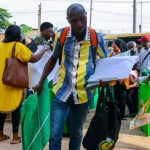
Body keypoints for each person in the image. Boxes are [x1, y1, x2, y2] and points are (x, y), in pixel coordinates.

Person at [34, 3, 107, 150]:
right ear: (68, 20)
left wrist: (104, 78)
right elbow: (53, 58)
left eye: (82, 18)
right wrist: (41, 81)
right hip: (61, 91)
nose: (79, 23)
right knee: (55, 133)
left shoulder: (95, 37)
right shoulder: (61, 35)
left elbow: (105, 62)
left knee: (77, 133)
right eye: (74, 20)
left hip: (83, 94)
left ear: (86, 15)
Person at [0, 25, 50, 144]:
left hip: (2, 82)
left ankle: (1, 134)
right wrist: (45, 48)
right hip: (14, 82)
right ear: (18, 35)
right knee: (16, 109)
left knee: (1, 109)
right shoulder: (17, 46)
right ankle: (15, 137)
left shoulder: (1, 46)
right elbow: (33, 58)